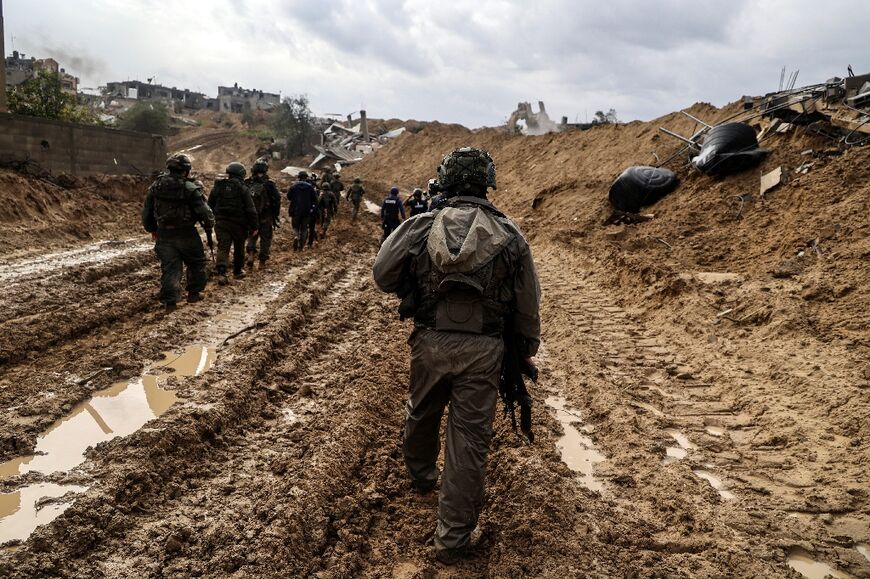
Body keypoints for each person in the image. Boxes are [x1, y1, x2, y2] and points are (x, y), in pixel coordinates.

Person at [372, 147, 541, 565]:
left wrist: (413, 287)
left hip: (430, 340)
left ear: (444, 182)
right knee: (468, 441)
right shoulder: (510, 233)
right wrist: (525, 351)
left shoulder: (421, 225)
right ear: (487, 182)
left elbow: (382, 274)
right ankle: (452, 540)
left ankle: (421, 475)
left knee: (421, 410)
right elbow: (527, 304)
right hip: (485, 349)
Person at [142, 154, 215, 311]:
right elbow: (205, 212)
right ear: (186, 170)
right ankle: (193, 294)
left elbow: (147, 211)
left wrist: (152, 229)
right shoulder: (189, 187)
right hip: (186, 233)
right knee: (196, 263)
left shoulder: (156, 186)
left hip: (163, 234)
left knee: (170, 268)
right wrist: (209, 224)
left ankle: (170, 303)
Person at [208, 162, 258, 285]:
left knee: (223, 246)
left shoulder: (218, 186)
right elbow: (250, 209)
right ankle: (237, 271)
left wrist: (213, 219)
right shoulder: (243, 188)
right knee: (239, 247)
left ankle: (221, 272)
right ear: (241, 174)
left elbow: (209, 206)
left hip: (221, 223)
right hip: (239, 224)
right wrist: (254, 226)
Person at [245, 157, 281, 270]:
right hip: (266, 217)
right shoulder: (270, 184)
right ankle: (262, 262)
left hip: (251, 217)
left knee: (251, 236)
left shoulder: (247, 182)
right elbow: (277, 199)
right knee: (266, 239)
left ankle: (250, 254)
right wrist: (275, 215)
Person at [286, 170, 318, 251]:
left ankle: (296, 236)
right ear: (306, 177)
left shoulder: (294, 186)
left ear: (299, 177)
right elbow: (315, 199)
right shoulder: (310, 187)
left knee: (295, 227)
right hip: (307, 212)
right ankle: (301, 247)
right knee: (304, 229)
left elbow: (289, 197)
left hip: (295, 211)